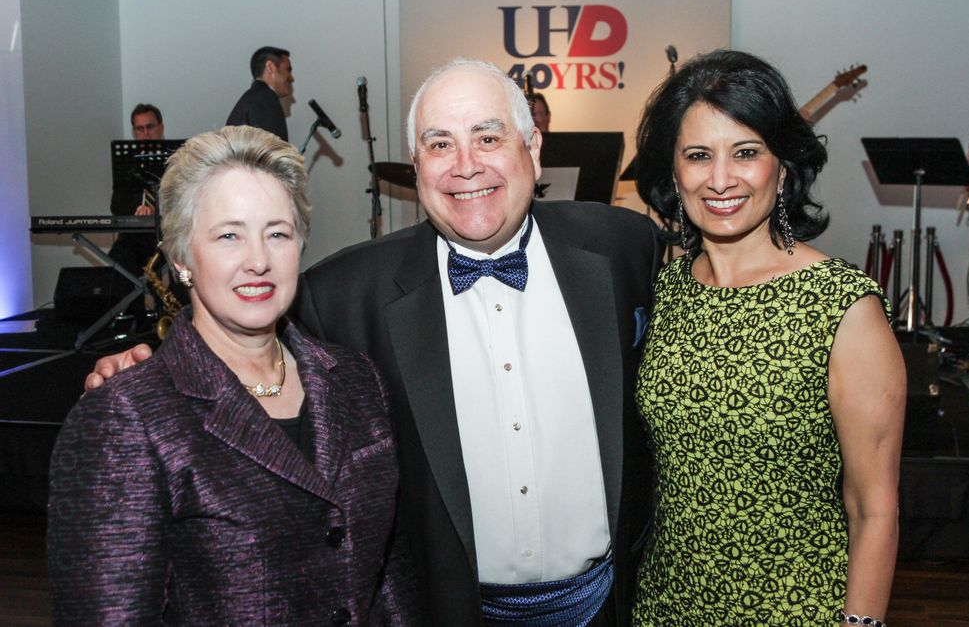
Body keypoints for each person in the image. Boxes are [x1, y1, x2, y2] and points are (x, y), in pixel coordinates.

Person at [86, 58, 663, 626]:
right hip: (441, 610)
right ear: (415, 166)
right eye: (439, 145)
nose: (466, 166)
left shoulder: (623, 247)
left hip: (610, 604)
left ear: (533, 147)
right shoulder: (341, 296)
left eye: (488, 137)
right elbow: (245, 352)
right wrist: (149, 374)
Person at [50, 126, 418, 625]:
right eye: (229, 235)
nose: (258, 261)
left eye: (277, 233)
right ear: (182, 257)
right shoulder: (126, 417)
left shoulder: (355, 379)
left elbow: (391, 574)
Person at [630, 49, 905, 626]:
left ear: (783, 166)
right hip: (665, 605)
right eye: (698, 155)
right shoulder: (667, 291)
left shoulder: (840, 305)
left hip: (799, 608)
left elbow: (873, 508)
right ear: (673, 173)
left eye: (747, 152)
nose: (721, 178)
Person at [105, 103, 168, 282]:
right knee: (118, 260)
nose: (146, 134)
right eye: (139, 129)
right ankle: (130, 309)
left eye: (150, 127)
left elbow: (186, 203)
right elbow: (116, 205)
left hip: (167, 235)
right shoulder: (128, 165)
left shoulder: (177, 161)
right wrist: (139, 209)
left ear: (161, 127)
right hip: (135, 235)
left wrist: (157, 211)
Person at [226, 46, 293, 141]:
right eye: (288, 70)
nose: (291, 77)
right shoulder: (266, 98)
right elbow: (272, 151)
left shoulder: (252, 98)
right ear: (270, 67)